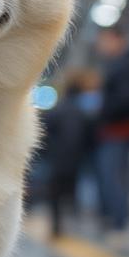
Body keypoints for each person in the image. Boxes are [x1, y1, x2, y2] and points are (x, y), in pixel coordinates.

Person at [95, 27, 129, 242]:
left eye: (105, 41)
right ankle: (118, 222)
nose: (101, 47)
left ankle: (120, 224)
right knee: (117, 175)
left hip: (119, 128)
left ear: (117, 39)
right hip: (124, 127)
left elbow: (125, 99)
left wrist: (102, 112)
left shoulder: (123, 66)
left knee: (113, 176)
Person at [40, 75, 95, 238]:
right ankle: (74, 226)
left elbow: (44, 132)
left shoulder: (56, 110)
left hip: (57, 158)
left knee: (55, 194)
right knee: (72, 192)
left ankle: (57, 226)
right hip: (76, 159)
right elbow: (90, 137)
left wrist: (47, 152)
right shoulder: (83, 113)